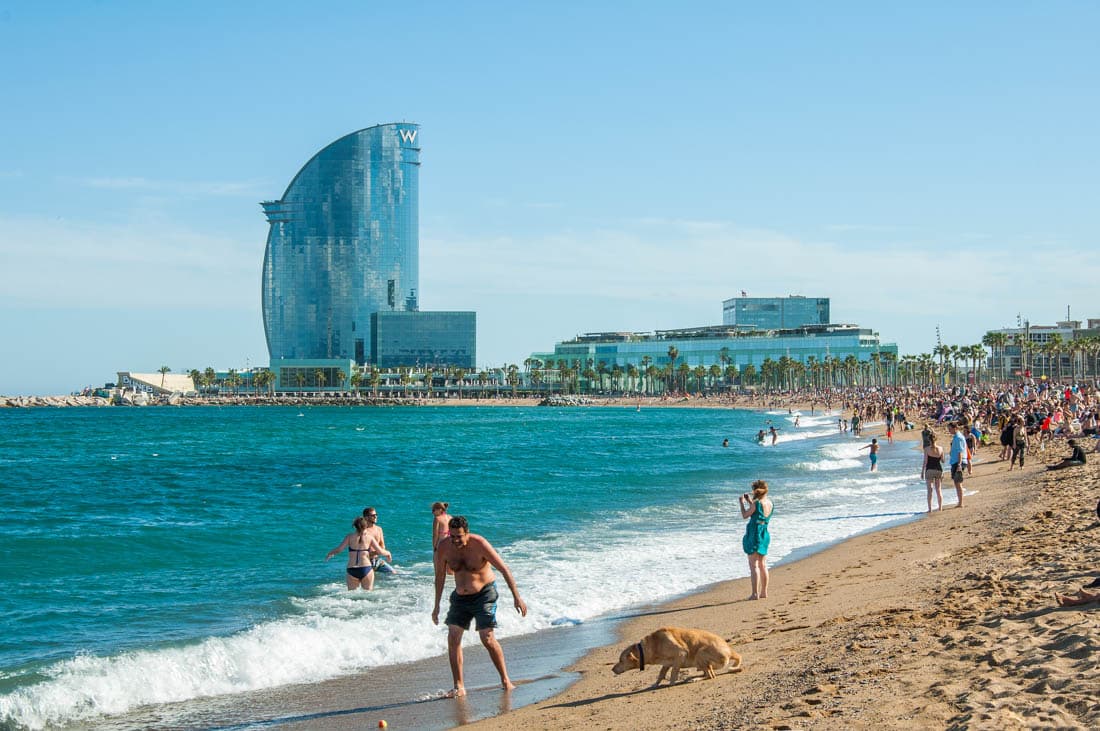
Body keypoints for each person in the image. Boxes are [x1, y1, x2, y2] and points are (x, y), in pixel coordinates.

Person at [432, 515, 527, 697]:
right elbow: (440, 577)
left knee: (487, 637)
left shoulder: (479, 544)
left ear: (466, 533)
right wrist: (436, 606)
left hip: (485, 593)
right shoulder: (444, 547)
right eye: (452, 536)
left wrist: (517, 597)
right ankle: (459, 686)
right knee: (453, 637)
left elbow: (504, 569)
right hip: (461, 597)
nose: (456, 540)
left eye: (459, 536)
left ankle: (506, 680)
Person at [325, 516, 392, 590]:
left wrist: (330, 553)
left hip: (352, 569)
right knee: (368, 595)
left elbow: (339, 549)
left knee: (351, 596)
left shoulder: (349, 537)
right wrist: (388, 553)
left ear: (355, 526)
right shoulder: (369, 538)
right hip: (366, 568)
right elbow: (380, 551)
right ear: (366, 526)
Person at [739, 480, 773, 600]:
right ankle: (764, 592)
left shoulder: (757, 503)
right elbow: (758, 512)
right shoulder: (769, 503)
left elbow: (745, 515)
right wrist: (750, 501)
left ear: (756, 491)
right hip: (764, 534)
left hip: (754, 534)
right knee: (763, 564)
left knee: (754, 566)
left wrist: (742, 503)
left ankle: (754, 594)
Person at [361, 507, 391, 573]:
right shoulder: (363, 531)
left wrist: (378, 552)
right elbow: (361, 552)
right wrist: (379, 552)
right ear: (366, 517)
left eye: (376, 515)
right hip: (366, 562)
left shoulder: (379, 529)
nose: (375, 517)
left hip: (377, 560)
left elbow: (382, 546)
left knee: (393, 573)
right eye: (373, 515)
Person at [922, 432, 945, 512]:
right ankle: (940, 508)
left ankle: (930, 509)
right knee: (939, 490)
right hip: (939, 470)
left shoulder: (926, 449)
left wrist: (922, 472)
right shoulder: (941, 448)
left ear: (929, 440)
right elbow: (943, 461)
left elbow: (925, 461)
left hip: (929, 470)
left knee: (930, 490)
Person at [948, 422, 969, 507]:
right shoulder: (957, 437)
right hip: (956, 461)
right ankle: (960, 502)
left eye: (950, 429)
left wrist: (959, 464)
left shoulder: (958, 437)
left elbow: (960, 452)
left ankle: (961, 503)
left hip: (958, 462)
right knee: (957, 482)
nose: (949, 431)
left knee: (958, 482)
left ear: (955, 428)